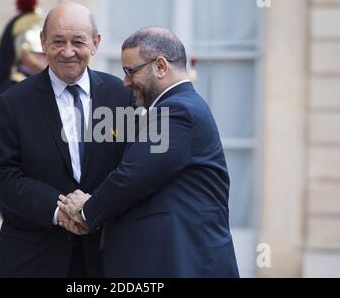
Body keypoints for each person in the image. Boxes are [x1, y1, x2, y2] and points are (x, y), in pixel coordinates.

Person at [58, 27, 240, 278]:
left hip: (186, 263)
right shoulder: (176, 108)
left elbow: (131, 178)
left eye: (130, 71)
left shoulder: (178, 112)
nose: (125, 81)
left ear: (161, 66)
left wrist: (86, 210)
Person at [0, 2, 132, 277]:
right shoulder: (13, 102)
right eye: (58, 41)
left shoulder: (122, 97)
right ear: (43, 41)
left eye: (78, 42)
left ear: (96, 43)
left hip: (105, 257)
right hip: (33, 259)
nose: (68, 52)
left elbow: (133, 168)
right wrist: (59, 211)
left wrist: (93, 210)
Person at [0, 0, 48, 218]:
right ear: (25, 52)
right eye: (41, 53)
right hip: (22, 186)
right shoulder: (12, 89)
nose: (47, 58)